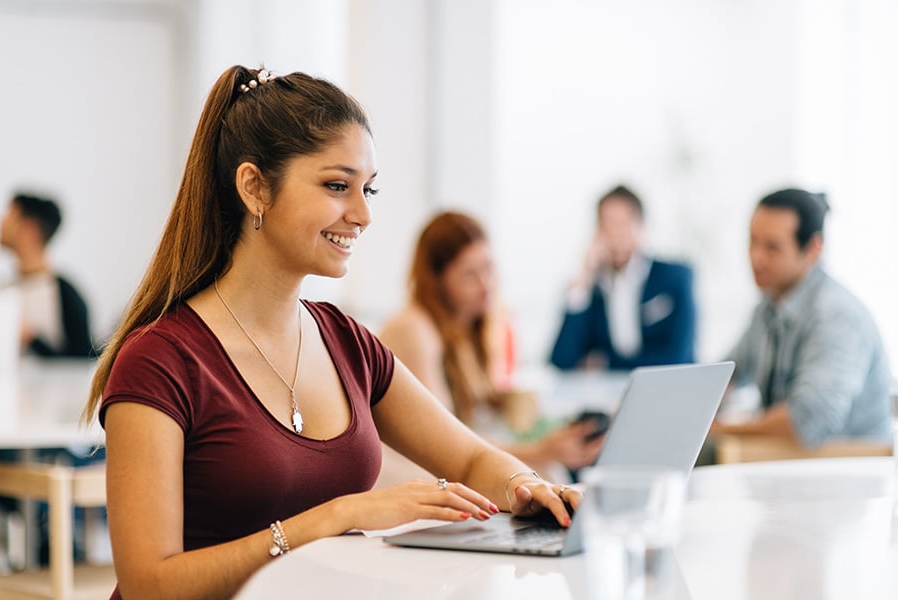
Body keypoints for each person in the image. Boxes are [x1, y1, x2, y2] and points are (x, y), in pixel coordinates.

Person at [81, 66, 579, 600]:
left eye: (368, 189)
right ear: (254, 187)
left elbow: (471, 458)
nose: (363, 214)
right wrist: (336, 516)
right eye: (337, 186)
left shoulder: (348, 343)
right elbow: (149, 585)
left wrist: (524, 486)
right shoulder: (160, 359)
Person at [378, 211, 605, 479]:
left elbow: (475, 416)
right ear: (437, 281)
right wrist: (539, 450)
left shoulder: (471, 327)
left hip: (442, 465)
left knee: (547, 471)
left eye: (488, 268)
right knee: (544, 471)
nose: (486, 284)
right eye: (470, 274)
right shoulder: (414, 329)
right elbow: (445, 443)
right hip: (409, 472)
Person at [712, 188, 892, 447]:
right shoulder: (768, 306)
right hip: (793, 461)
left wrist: (719, 429)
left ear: (813, 248)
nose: (756, 257)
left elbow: (806, 422)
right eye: (752, 241)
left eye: (772, 247)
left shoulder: (836, 315)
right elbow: (725, 374)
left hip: (846, 466)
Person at [550, 184, 697, 371]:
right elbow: (562, 360)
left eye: (623, 224)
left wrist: (607, 364)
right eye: (607, 225)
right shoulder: (592, 290)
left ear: (641, 227)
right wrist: (584, 277)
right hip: (609, 397)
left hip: (668, 391)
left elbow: (679, 357)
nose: (616, 234)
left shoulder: (675, 278)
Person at [0, 192, 93, 358]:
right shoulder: (3, 290)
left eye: (10, 215)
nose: (2, 222)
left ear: (29, 229)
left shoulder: (66, 295)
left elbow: (82, 359)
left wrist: (32, 340)